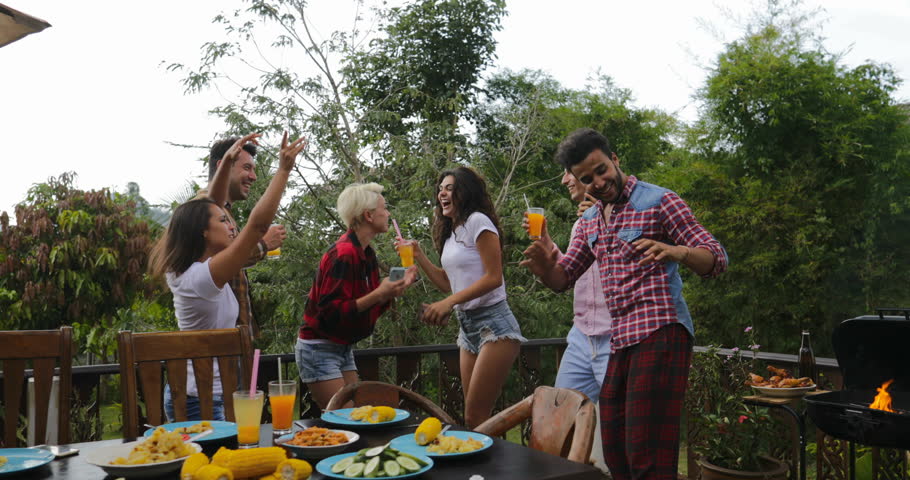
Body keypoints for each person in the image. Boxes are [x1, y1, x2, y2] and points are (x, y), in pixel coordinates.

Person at [521, 128, 728, 480]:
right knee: (616, 450)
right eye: (587, 179)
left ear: (614, 160)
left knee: (646, 453)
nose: (598, 182)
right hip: (622, 340)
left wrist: (677, 251)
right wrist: (544, 269)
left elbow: (716, 258)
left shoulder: (659, 201)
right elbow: (562, 279)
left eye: (601, 170)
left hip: (661, 331)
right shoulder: (589, 221)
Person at [150, 132, 307, 421]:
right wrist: (284, 169)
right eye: (224, 221)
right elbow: (256, 226)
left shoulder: (195, 268)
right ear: (202, 232)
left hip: (216, 390)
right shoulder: (201, 278)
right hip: (200, 398)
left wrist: (226, 164)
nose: (233, 226)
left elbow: (214, 203)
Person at [397, 166, 526, 428]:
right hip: (467, 327)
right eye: (440, 189)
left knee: (476, 416)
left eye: (449, 188)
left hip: (495, 324)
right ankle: (488, 454)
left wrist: (448, 303)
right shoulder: (451, 232)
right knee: (474, 418)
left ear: (465, 192)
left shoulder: (478, 221)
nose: (442, 194)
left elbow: (494, 277)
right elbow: (447, 283)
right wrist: (419, 255)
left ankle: (505, 450)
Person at [296, 182, 418, 408]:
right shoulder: (344, 253)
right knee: (346, 418)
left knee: (359, 414)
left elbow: (365, 307)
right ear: (368, 215)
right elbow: (331, 312)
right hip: (319, 347)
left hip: (342, 346)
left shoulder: (367, 253)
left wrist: (391, 291)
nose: (388, 213)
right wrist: (380, 293)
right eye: (384, 208)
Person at [523, 170, 612, 471]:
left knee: (619, 431)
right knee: (559, 420)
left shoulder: (625, 217)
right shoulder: (579, 224)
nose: (564, 180)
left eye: (570, 172)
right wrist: (546, 240)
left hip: (616, 337)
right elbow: (569, 271)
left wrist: (602, 219)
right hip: (581, 336)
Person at [195, 137, 289, 337]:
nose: (253, 177)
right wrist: (263, 244)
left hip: (233, 340)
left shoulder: (224, 213)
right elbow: (221, 262)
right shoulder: (202, 210)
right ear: (224, 165)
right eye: (247, 168)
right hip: (217, 343)